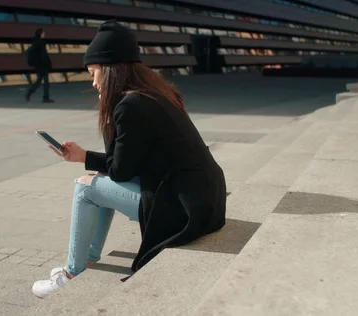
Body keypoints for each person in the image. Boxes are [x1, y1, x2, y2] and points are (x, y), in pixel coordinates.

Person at [31, 20, 226, 298]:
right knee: (96, 180)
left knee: (85, 188)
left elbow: (121, 171)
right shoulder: (155, 93)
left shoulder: (131, 105)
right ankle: (88, 258)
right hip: (205, 199)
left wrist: (110, 118)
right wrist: (84, 156)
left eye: (94, 73)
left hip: (184, 211)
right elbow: (127, 163)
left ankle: (73, 271)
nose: (94, 82)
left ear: (111, 70)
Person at [25, 28, 54, 103]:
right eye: (43, 33)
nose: (44, 34)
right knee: (46, 82)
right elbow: (44, 55)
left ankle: (29, 92)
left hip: (38, 65)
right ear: (41, 34)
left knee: (38, 81)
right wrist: (48, 63)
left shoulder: (34, 42)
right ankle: (46, 98)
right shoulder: (41, 43)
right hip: (43, 65)